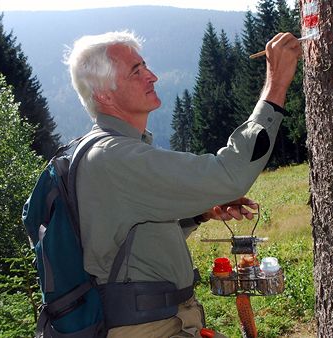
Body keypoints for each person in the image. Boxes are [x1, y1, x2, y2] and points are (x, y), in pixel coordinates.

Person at [65, 30, 301, 338]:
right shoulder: (115, 157)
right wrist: (276, 84)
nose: (152, 76)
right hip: (148, 328)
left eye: (145, 66)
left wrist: (201, 214)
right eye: (136, 72)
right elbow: (230, 174)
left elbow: (136, 241)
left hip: (158, 320)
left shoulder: (107, 151)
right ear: (103, 94)